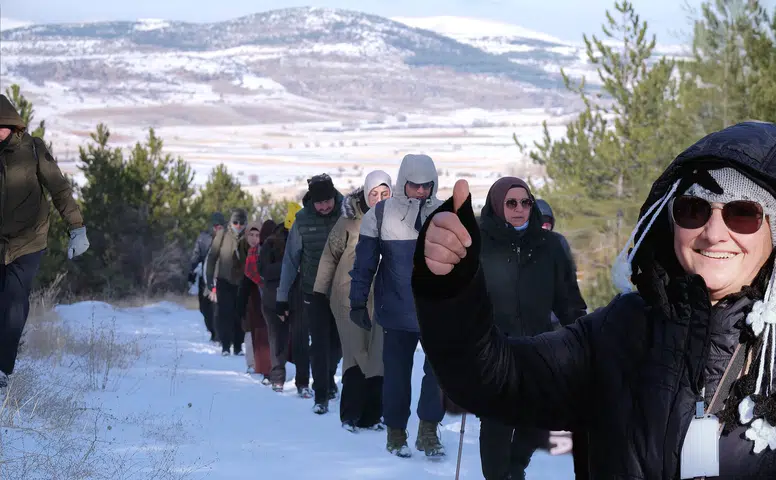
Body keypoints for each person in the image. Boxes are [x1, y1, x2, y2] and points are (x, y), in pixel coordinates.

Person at [412, 121, 776, 478]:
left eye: (743, 214)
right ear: (671, 220)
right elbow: (496, 379)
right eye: (693, 210)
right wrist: (453, 291)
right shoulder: (620, 331)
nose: (713, 234)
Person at [475, 178, 587, 479]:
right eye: (511, 203)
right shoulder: (479, 244)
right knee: (497, 421)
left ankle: (516, 468)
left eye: (525, 202)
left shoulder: (549, 245)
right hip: (494, 347)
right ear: (498, 205)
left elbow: (567, 297)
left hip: (539, 345)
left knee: (534, 420)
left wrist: (583, 332)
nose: (520, 209)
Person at [350, 154, 446, 458]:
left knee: (440, 375)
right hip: (396, 310)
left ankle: (428, 432)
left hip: (438, 312)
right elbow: (364, 264)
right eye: (414, 185)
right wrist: (357, 302)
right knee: (397, 377)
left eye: (425, 185)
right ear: (403, 182)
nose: (420, 191)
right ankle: (396, 433)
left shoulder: (448, 214)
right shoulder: (378, 215)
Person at [0, 94, 89, 389]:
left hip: (28, 241)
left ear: (13, 125)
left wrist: (76, 227)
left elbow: (60, 189)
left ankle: (2, 368)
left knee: (14, 301)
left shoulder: (33, 149)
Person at [313, 170, 392, 432]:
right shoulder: (349, 220)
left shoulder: (398, 221)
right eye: (374, 194)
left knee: (378, 357)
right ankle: (350, 415)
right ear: (365, 194)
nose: (379, 199)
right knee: (356, 354)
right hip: (347, 297)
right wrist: (318, 294)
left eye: (385, 193)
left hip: (382, 298)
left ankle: (372, 415)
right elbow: (329, 256)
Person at [277, 174, 344, 414]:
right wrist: (281, 297)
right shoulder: (302, 221)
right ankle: (321, 395)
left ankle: (327, 374)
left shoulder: (346, 212)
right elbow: (290, 261)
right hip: (313, 291)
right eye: (319, 203)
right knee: (318, 344)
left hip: (342, 291)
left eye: (328, 201)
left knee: (338, 345)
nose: (324, 207)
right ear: (311, 201)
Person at [259, 204, 310, 395]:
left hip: (300, 299)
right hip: (274, 300)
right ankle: (277, 379)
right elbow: (263, 271)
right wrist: (289, 266)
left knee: (301, 342)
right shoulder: (271, 243)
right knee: (277, 340)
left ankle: (303, 383)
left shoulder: (307, 239)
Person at [206, 208, 250, 356]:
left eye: (241, 223)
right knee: (225, 313)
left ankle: (238, 346)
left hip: (242, 282)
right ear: (231, 223)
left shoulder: (249, 236)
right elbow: (212, 258)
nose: (238, 226)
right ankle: (225, 345)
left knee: (239, 314)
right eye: (235, 222)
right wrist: (209, 281)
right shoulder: (222, 235)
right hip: (224, 281)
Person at [238, 220, 275, 380]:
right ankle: (252, 364)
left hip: (264, 296)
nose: (254, 238)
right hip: (250, 299)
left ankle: (268, 365)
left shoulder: (268, 249)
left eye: (257, 235)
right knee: (251, 331)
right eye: (251, 235)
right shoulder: (240, 249)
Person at [189, 212, 225, 342]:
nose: (217, 229)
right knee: (204, 309)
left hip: (220, 279)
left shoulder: (228, 239)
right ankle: (212, 331)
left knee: (217, 309)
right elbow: (196, 256)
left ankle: (218, 334)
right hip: (205, 279)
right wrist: (191, 272)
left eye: (220, 226)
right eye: (215, 226)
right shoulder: (203, 238)